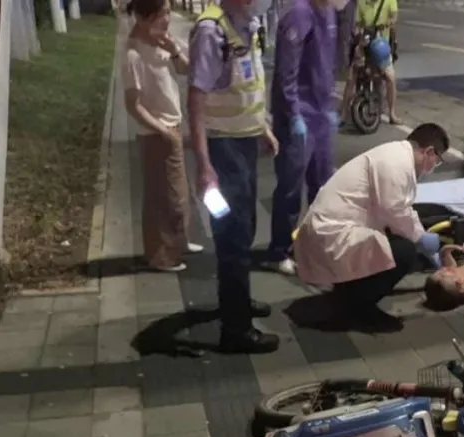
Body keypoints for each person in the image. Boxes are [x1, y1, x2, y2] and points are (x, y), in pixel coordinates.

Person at [188, 0, 281, 354]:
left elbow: (247, 85)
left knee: (245, 228)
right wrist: (204, 165)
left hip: (243, 144)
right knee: (233, 235)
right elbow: (196, 100)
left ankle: (236, 300)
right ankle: (236, 329)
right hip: (222, 148)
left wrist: (261, 129)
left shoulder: (244, 25)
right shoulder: (211, 31)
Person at [293, 123, 449, 332]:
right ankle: (357, 307)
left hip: (333, 229)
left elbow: (403, 209)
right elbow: (396, 213)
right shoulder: (395, 164)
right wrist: (421, 239)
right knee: (404, 251)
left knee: (398, 240)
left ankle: (349, 291)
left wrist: (420, 234)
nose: (434, 166)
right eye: (437, 160)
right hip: (330, 235)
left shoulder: (396, 156)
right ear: (429, 151)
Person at [263, 0, 345, 276]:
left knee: (323, 186)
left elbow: (325, 67)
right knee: (291, 186)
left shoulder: (329, 12)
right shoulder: (299, 14)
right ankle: (279, 250)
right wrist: (293, 114)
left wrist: (330, 106)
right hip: (297, 115)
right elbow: (286, 72)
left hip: (320, 113)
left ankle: (317, 245)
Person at [123, 0, 202, 272]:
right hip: (156, 134)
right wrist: (162, 130)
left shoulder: (161, 42)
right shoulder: (133, 54)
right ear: (144, 18)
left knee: (179, 193)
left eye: (168, 12)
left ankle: (179, 242)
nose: (167, 19)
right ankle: (160, 256)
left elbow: (185, 69)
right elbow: (132, 105)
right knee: (164, 198)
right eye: (161, 14)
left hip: (172, 127)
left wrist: (174, 50)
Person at [341, 0, 399, 126]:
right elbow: (357, 23)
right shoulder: (362, 2)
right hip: (365, 45)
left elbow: (394, 17)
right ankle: (343, 114)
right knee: (351, 78)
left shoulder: (389, 1)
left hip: (381, 47)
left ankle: (392, 114)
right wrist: (359, 33)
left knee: (391, 78)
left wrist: (387, 23)